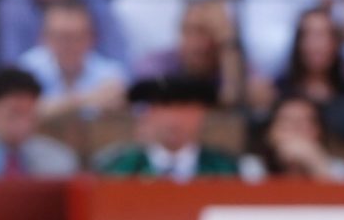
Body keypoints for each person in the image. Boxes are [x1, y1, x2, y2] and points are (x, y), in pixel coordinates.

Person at [96, 72, 247, 178]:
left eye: (184, 108)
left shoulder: (227, 170)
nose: (174, 118)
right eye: (164, 107)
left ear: (202, 114)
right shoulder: (119, 169)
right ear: (148, 114)